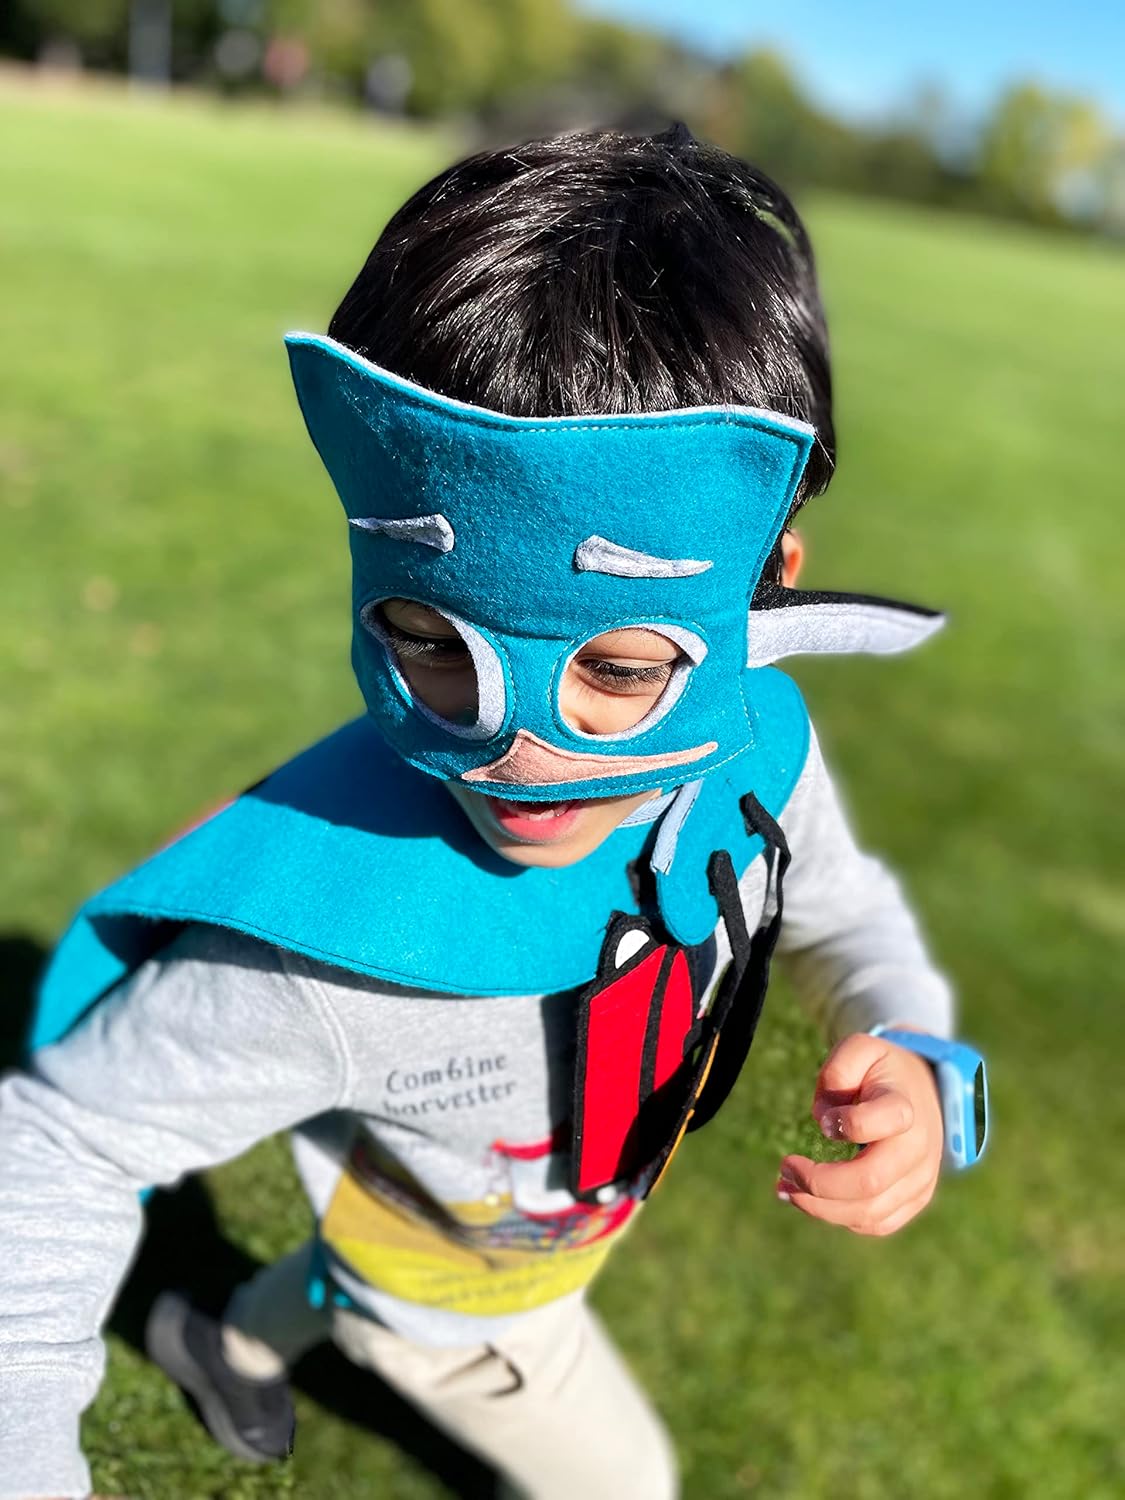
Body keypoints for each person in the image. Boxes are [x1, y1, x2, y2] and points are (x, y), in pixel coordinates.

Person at [0, 125, 968, 1500]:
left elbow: (845, 904)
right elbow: (59, 1144)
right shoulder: (318, 952)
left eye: (620, 670)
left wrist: (911, 1047)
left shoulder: (760, 753)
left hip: (455, 1211)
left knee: (343, 1267)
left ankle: (223, 1337)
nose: (517, 751)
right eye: (428, 643)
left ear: (766, 590)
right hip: (471, 1307)